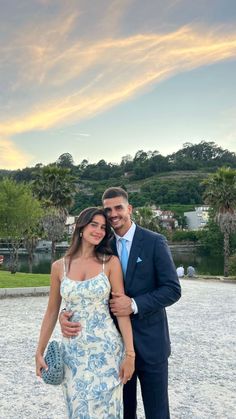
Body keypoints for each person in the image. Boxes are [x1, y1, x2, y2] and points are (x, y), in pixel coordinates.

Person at [60, 188, 181, 419]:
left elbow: (172, 289)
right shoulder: (103, 245)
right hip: (113, 348)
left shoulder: (155, 242)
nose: (113, 214)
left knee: (158, 412)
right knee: (123, 412)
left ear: (129, 209)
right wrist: (65, 313)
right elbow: (89, 289)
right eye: (108, 210)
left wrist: (134, 304)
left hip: (151, 344)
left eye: (118, 208)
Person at [35, 207, 135, 418]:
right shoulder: (58, 267)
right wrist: (39, 351)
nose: (99, 231)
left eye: (103, 227)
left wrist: (130, 354)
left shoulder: (110, 263)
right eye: (94, 225)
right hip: (73, 353)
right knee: (79, 410)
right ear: (80, 228)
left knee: (107, 411)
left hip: (107, 351)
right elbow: (52, 311)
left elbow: (121, 312)